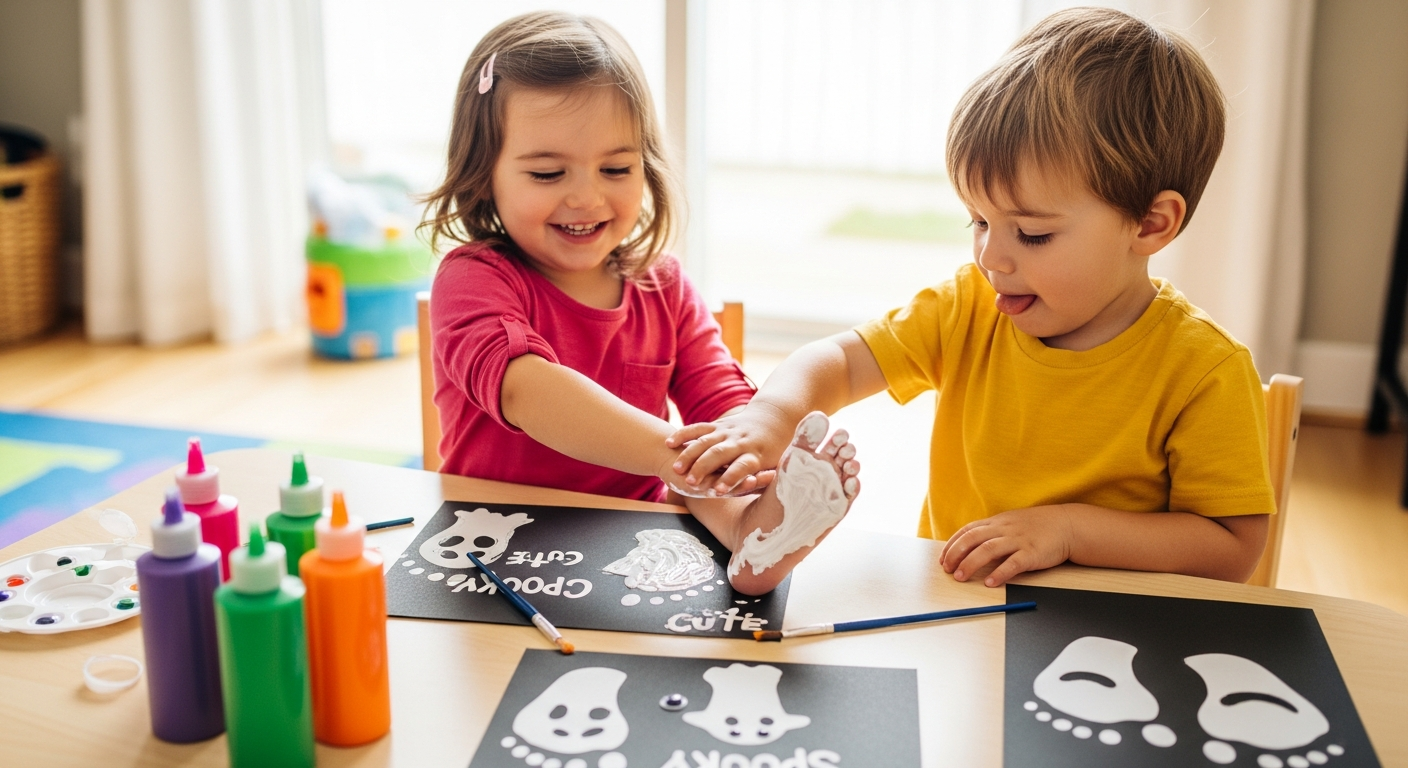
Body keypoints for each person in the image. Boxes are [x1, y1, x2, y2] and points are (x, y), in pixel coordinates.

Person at [668, 7, 1275, 588]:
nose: (990, 258)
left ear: (1150, 224)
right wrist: (771, 417)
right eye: (979, 223)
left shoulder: (1205, 369)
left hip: (1112, 635)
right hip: (958, 607)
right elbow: (841, 361)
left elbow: (1231, 550)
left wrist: (1069, 531)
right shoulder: (970, 306)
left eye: (1032, 234)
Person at [421, 12, 860, 595]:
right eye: (548, 173)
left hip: (632, 538)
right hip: (496, 537)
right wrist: (668, 452)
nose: (587, 195)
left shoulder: (665, 284)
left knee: (705, 468)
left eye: (616, 168)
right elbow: (527, 390)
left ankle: (758, 538)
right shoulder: (472, 278)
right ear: (484, 178)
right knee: (690, 466)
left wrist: (743, 446)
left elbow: (722, 397)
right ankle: (739, 512)